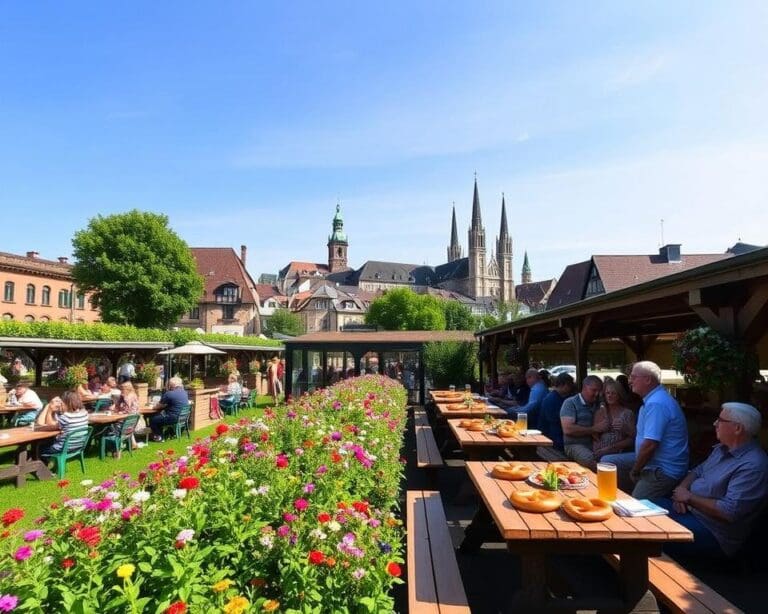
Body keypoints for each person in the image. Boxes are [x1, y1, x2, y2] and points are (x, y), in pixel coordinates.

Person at [652, 402, 768, 560]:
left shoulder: (753, 465)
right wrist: (682, 489)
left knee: (649, 532)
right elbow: (698, 470)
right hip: (689, 511)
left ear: (738, 428)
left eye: (720, 420)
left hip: (713, 532)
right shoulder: (722, 448)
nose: (715, 423)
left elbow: (729, 512)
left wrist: (689, 498)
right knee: (643, 507)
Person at [602, 361, 689, 499]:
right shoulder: (654, 399)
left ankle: (635, 497)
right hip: (653, 461)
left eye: (633, 377)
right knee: (607, 462)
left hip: (663, 469)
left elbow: (650, 445)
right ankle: (626, 495)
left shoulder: (656, 403)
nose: (629, 380)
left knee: (637, 505)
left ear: (647, 379)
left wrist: (635, 470)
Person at [560, 375, 606, 471]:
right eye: (594, 390)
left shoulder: (599, 403)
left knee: (611, 459)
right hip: (574, 445)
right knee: (589, 460)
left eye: (599, 391)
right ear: (584, 388)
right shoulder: (570, 403)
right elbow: (568, 429)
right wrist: (594, 429)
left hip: (596, 443)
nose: (597, 394)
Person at [593, 378, 636, 461]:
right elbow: (594, 436)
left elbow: (633, 438)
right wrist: (597, 450)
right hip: (600, 450)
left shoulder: (627, 413)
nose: (610, 396)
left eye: (613, 393)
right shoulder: (600, 412)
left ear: (619, 395)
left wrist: (625, 428)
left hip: (619, 451)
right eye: (607, 393)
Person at [35, 391, 90, 455]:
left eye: (62, 402)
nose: (61, 404)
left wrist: (49, 408)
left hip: (62, 448)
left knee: (38, 447)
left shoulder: (66, 417)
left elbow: (48, 425)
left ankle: (41, 464)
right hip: (77, 447)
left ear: (67, 403)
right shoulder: (84, 413)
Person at [538, 372, 575, 451]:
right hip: (551, 439)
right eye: (570, 385)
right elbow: (555, 423)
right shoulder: (550, 400)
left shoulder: (562, 397)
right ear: (563, 385)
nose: (572, 388)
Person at [149, 376, 189, 441]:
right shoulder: (184, 392)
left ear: (171, 385)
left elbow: (159, 406)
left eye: (169, 384)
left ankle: (159, 437)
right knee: (158, 417)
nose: (168, 386)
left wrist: (153, 406)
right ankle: (165, 433)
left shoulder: (169, 393)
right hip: (182, 417)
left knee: (153, 419)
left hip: (173, 418)